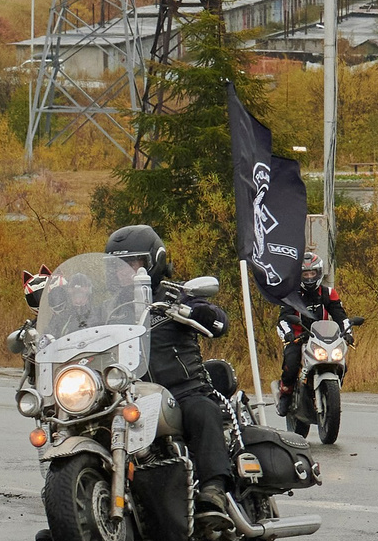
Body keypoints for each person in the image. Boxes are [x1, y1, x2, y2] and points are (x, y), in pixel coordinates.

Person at [106, 224, 243, 525]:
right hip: (129, 393)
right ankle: (79, 509)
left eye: (133, 264)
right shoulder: (109, 310)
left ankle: (214, 490)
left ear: (154, 261)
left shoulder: (175, 294)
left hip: (182, 389)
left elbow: (218, 322)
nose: (124, 272)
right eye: (118, 266)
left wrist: (198, 313)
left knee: (201, 411)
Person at [275, 252, 351, 416]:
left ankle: (332, 391)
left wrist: (347, 332)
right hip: (298, 339)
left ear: (319, 273)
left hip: (324, 339)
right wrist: (288, 335)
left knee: (341, 360)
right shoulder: (291, 294)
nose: (309, 277)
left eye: (312, 273)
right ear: (299, 275)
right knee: (291, 364)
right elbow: (282, 320)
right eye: (305, 274)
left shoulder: (328, 293)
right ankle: (285, 394)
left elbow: (341, 316)